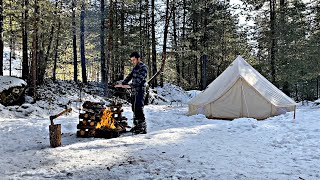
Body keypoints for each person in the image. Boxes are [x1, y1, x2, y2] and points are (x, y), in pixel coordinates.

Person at [115, 52, 148, 134]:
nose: (132, 62)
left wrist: (127, 86)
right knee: (133, 108)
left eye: (133, 60)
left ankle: (142, 128)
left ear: (138, 59)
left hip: (140, 90)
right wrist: (122, 84)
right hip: (133, 91)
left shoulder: (143, 68)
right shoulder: (135, 68)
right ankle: (136, 126)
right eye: (131, 60)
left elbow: (137, 82)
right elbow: (129, 76)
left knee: (138, 108)